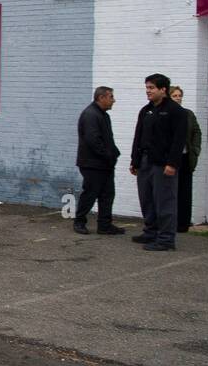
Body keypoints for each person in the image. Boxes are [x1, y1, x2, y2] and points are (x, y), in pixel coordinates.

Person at [129, 73, 187, 251]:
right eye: (147, 88)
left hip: (163, 164)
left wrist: (172, 164)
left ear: (163, 90)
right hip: (145, 161)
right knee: (147, 199)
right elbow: (138, 136)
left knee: (164, 201)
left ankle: (166, 239)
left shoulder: (176, 111)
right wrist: (135, 160)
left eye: (151, 88)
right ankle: (150, 232)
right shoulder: (146, 110)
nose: (148, 91)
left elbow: (179, 140)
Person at [74, 86, 124, 235]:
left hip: (104, 164)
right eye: (111, 97)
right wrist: (108, 155)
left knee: (107, 194)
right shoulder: (91, 115)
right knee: (90, 193)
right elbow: (93, 140)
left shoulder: (103, 115)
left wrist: (114, 153)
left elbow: (107, 138)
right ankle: (79, 221)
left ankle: (104, 225)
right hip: (92, 164)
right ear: (101, 98)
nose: (113, 100)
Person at [169, 86, 201, 233]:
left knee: (185, 191)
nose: (178, 98)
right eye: (175, 96)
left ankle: (183, 224)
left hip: (185, 157)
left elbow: (196, 132)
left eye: (179, 95)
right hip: (170, 159)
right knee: (170, 192)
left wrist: (194, 150)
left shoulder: (188, 114)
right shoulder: (166, 114)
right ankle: (170, 222)